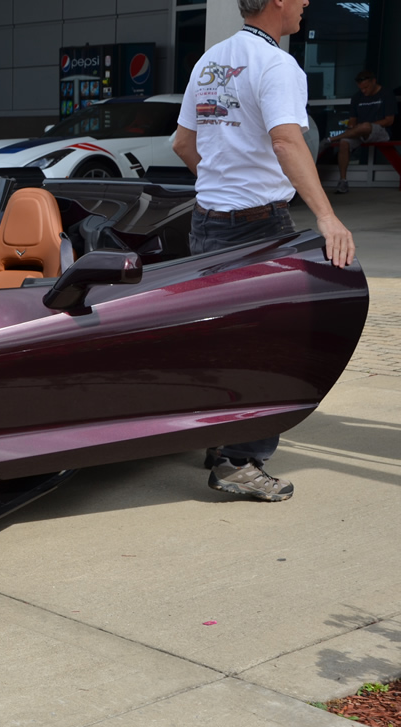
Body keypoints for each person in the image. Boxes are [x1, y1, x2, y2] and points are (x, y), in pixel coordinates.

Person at [172, 0, 355, 502]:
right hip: (257, 228)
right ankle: (240, 460)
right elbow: (286, 141)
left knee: (219, 340)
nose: (306, 4)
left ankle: (217, 439)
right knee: (273, 345)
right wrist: (326, 215)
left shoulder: (210, 61)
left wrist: (219, 189)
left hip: (206, 224)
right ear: (277, 0)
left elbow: (183, 144)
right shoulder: (278, 64)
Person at [322, 69, 397, 194]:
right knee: (344, 143)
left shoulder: (386, 94)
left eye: (366, 87)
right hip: (360, 132)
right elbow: (352, 119)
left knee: (365, 126)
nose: (364, 91)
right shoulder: (357, 97)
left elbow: (389, 121)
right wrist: (352, 125)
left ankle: (330, 139)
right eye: (361, 88)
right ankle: (343, 181)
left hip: (381, 132)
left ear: (374, 81)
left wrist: (366, 126)